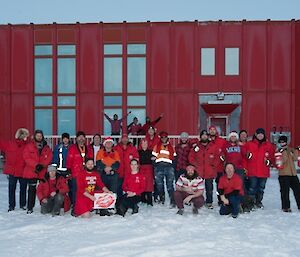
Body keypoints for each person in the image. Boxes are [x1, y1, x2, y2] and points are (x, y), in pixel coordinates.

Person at [23, 130, 53, 214]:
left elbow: (49, 157)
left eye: (40, 136)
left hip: (42, 171)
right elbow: (26, 157)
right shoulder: (29, 146)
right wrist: (36, 165)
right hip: (32, 170)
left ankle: (44, 205)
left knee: (44, 189)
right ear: (35, 136)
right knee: (31, 190)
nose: (39, 137)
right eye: (37, 135)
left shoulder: (46, 147)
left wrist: (42, 165)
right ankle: (30, 207)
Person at [245, 128, 275, 209]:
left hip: (263, 171)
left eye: (262, 134)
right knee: (252, 188)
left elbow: (272, 156)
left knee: (261, 188)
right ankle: (251, 202)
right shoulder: (249, 144)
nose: (260, 135)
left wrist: (269, 161)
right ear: (255, 134)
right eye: (258, 134)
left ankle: (258, 202)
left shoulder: (268, 145)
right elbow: (245, 156)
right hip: (252, 170)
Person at [0, 128, 29, 212]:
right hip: (13, 171)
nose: (26, 138)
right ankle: (12, 205)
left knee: (22, 188)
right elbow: (1, 143)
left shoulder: (27, 145)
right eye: (25, 136)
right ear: (22, 136)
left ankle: (22, 204)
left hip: (23, 170)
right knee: (12, 189)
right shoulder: (10, 144)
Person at [188, 130, 218, 209]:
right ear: (200, 137)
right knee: (196, 187)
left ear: (208, 137)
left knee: (209, 188)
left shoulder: (213, 146)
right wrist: (195, 165)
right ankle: (196, 201)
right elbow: (191, 157)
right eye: (203, 135)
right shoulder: (196, 147)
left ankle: (209, 202)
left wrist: (213, 165)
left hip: (209, 171)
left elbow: (217, 157)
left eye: (206, 135)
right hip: (199, 171)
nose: (204, 137)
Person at [66, 131, 93, 214]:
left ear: (85, 139)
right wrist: (69, 170)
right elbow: (69, 160)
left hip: (86, 173)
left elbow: (91, 159)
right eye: (79, 137)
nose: (81, 139)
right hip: (76, 173)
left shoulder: (88, 148)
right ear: (76, 139)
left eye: (82, 137)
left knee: (87, 190)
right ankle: (75, 208)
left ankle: (86, 206)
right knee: (76, 191)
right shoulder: (72, 148)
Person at [276, 135, 300, 212]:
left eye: (284, 142)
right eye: (281, 142)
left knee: (298, 190)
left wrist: (296, 150)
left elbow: (295, 158)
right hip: (283, 174)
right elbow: (281, 162)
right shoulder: (278, 151)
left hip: (293, 173)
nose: (283, 143)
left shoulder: (290, 149)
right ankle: (286, 207)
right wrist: (284, 152)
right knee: (285, 191)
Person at [152, 131, 176, 207]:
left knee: (170, 184)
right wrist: (155, 165)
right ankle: (162, 198)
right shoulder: (156, 146)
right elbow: (153, 157)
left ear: (167, 138)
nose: (164, 138)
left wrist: (173, 166)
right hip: (159, 166)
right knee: (159, 184)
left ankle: (172, 199)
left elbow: (174, 157)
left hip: (169, 167)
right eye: (162, 137)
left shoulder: (171, 147)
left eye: (165, 137)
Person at [138, 139, 155, 206]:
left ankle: (150, 200)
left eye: (146, 143)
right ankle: (142, 199)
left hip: (149, 169)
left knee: (149, 185)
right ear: (141, 144)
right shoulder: (138, 152)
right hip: (141, 169)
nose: (144, 145)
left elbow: (154, 159)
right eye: (143, 143)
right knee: (142, 184)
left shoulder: (151, 151)